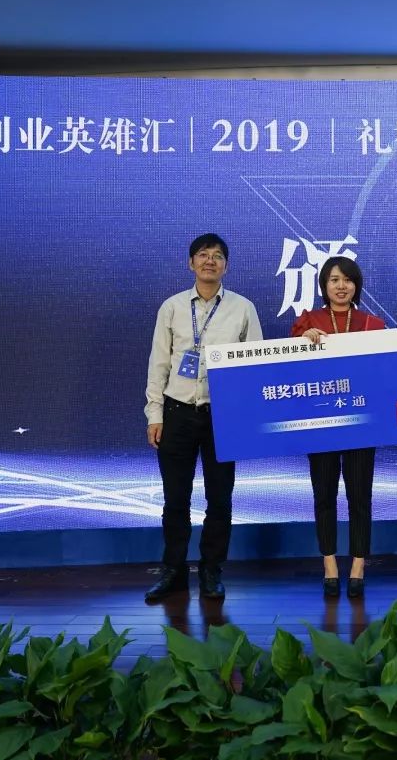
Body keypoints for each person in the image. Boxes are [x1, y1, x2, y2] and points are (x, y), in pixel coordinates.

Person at [144, 233, 263, 602]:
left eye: (217, 256)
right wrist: (154, 414)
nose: (210, 261)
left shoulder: (243, 308)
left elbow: (255, 367)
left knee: (220, 499)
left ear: (226, 266)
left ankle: (212, 570)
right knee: (175, 499)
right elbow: (159, 364)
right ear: (190, 263)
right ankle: (173, 571)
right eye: (202, 254)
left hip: (222, 416)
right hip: (177, 412)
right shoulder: (172, 307)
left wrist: (245, 417)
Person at [290, 256, 385, 598]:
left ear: (356, 285)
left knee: (360, 497)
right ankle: (329, 563)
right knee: (324, 495)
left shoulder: (373, 324)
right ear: (324, 286)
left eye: (347, 280)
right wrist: (302, 341)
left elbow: (383, 373)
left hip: (361, 423)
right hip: (321, 423)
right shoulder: (308, 322)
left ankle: (358, 565)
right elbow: (291, 369)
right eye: (334, 280)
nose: (341, 286)